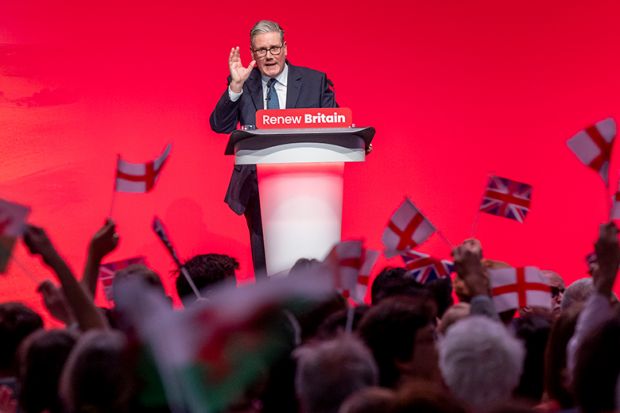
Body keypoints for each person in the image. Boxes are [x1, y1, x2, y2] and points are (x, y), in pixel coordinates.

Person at [210, 20, 337, 277]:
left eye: (274, 48)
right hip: (257, 191)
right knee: (266, 273)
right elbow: (219, 125)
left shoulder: (315, 81)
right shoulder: (244, 82)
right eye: (261, 50)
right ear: (253, 53)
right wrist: (235, 87)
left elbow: (334, 125)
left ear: (285, 48)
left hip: (309, 191)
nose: (269, 56)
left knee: (312, 271)